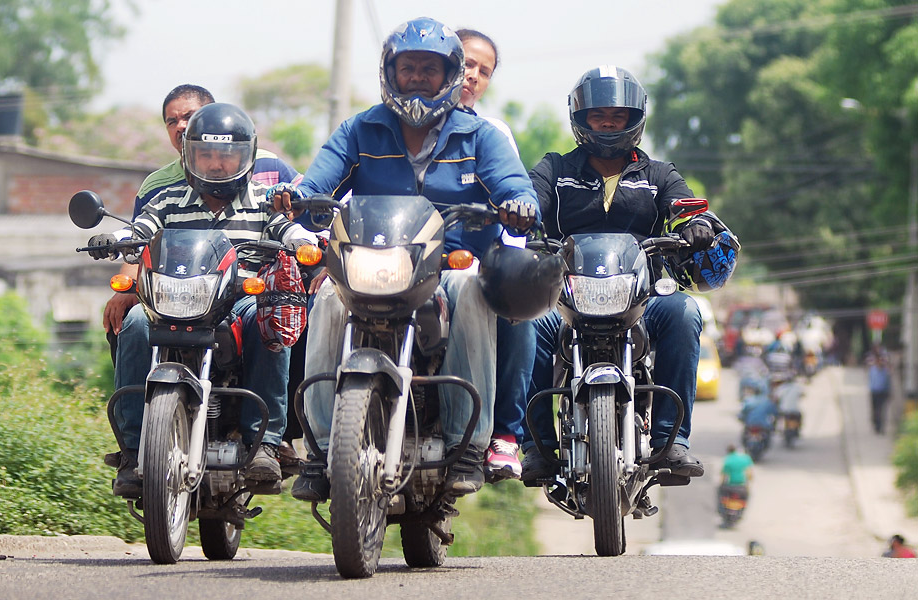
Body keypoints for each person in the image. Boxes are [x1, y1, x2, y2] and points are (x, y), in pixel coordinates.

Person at [271, 17, 539, 501]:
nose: (417, 77)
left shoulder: (481, 137)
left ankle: (469, 443)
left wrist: (520, 206)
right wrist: (297, 197)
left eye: (429, 69)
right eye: (407, 67)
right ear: (389, 73)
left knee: (475, 295)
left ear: (449, 75)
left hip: (448, 267)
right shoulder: (360, 129)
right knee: (328, 299)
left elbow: (515, 188)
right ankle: (319, 447)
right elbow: (315, 183)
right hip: (371, 261)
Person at [520, 65, 739, 482]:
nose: (607, 123)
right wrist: (521, 211)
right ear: (581, 119)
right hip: (566, 294)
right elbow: (529, 196)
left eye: (617, 116)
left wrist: (697, 224)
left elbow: (688, 205)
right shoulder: (555, 167)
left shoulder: (659, 174)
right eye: (598, 115)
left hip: (642, 295)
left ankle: (670, 442)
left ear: (633, 119)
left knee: (685, 314)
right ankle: (536, 447)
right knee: (525, 324)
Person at [89, 103, 319, 496]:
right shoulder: (166, 199)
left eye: (226, 155)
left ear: (245, 156)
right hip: (174, 302)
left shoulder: (263, 200)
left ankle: (264, 442)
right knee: (134, 325)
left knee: (270, 323)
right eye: (206, 154)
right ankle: (131, 449)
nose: (215, 164)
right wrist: (120, 240)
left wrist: (303, 241)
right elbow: (142, 226)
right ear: (189, 155)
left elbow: (288, 229)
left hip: (238, 302)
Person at [455, 27, 529, 481]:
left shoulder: (491, 134)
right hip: (396, 264)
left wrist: (510, 254)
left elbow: (516, 197)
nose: (473, 75)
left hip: (474, 267)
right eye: (466, 62)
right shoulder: (383, 125)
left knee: (524, 311)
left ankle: (505, 434)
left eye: (484, 70)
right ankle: (317, 445)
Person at [866, 343, 892, 434]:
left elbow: (888, 382)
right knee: (875, 410)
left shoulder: (886, 371)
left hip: (883, 392)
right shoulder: (873, 370)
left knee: (882, 410)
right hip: (875, 392)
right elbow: (871, 381)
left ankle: (881, 426)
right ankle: (876, 424)